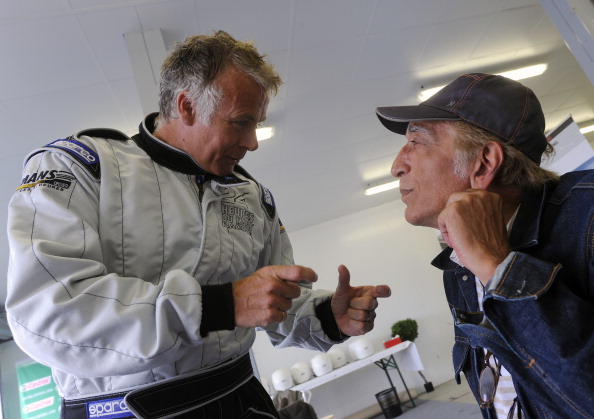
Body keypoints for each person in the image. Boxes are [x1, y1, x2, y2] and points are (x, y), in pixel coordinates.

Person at [6, 31, 391, 419]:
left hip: (242, 397)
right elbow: (46, 314)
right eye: (241, 122)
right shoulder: (83, 169)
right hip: (125, 410)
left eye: (256, 123)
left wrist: (330, 316)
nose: (253, 142)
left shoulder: (252, 197)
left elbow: (274, 304)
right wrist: (219, 306)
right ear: (186, 106)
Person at [375, 73, 594, 418]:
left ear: (484, 163)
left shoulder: (589, 215)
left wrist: (499, 267)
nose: (396, 166)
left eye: (416, 142)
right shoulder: (456, 267)